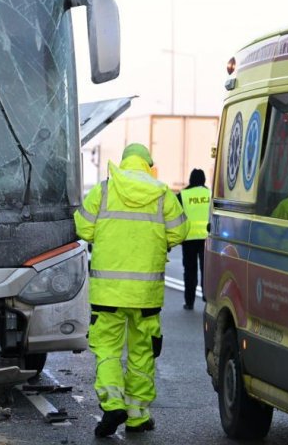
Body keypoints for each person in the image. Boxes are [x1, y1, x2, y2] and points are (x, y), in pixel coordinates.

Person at [74, 143, 188, 437]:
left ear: (124, 162)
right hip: (146, 294)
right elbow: (179, 231)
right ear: (148, 165)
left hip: (107, 293)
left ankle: (113, 404)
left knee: (108, 350)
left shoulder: (104, 190)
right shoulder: (162, 193)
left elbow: (83, 229)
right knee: (142, 352)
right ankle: (137, 416)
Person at [177, 169, 210, 310]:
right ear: (204, 180)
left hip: (188, 238)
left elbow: (175, 216)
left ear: (190, 179)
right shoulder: (210, 194)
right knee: (206, 269)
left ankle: (189, 301)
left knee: (190, 271)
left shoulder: (182, 195)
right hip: (207, 239)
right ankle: (206, 295)